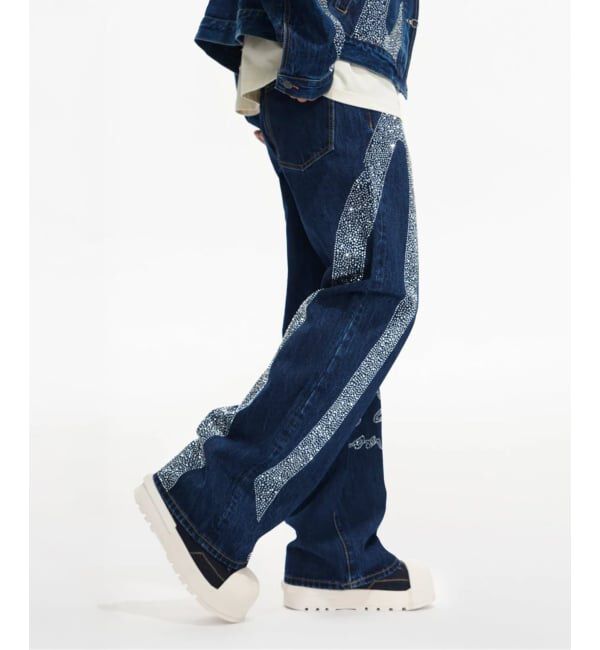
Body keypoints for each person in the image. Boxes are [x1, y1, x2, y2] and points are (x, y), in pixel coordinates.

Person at [135, 0, 434, 623]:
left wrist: (281, 74)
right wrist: (308, 56)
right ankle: (210, 499)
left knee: (334, 319)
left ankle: (338, 550)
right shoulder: (323, 63)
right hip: (337, 76)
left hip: (317, 79)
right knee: (376, 297)